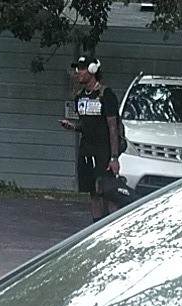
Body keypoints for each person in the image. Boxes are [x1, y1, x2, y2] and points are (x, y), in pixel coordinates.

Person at [62, 55, 123, 222]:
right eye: (77, 69)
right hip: (87, 152)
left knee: (109, 192)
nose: (77, 72)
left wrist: (114, 157)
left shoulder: (106, 95)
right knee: (93, 193)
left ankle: (114, 225)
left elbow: (113, 127)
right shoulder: (80, 97)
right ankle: (96, 226)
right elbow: (85, 124)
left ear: (92, 70)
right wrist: (73, 126)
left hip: (103, 152)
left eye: (81, 68)